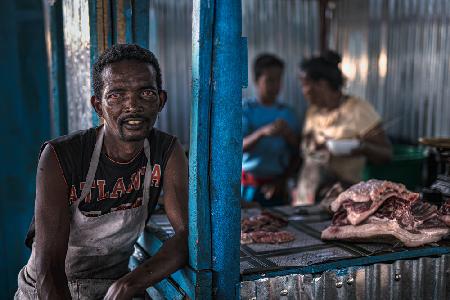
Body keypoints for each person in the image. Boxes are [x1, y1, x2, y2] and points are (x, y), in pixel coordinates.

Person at [15, 44, 188, 299]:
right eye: (116, 95)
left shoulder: (167, 151)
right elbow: (49, 268)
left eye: (146, 93)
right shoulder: (60, 156)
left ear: (161, 101)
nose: (133, 106)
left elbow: (185, 236)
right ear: (98, 106)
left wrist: (129, 284)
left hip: (113, 286)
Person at [294, 50, 392, 206]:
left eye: (305, 84)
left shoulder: (358, 110)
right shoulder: (313, 111)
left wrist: (361, 147)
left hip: (343, 197)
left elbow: (386, 154)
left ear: (322, 85)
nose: (303, 90)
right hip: (308, 196)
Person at [242, 54, 300, 206]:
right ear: (256, 81)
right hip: (248, 188)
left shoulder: (288, 114)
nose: (275, 86)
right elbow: (235, 148)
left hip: (277, 188)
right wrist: (261, 133)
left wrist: (289, 135)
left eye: (278, 80)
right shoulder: (245, 110)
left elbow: (298, 153)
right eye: (269, 80)